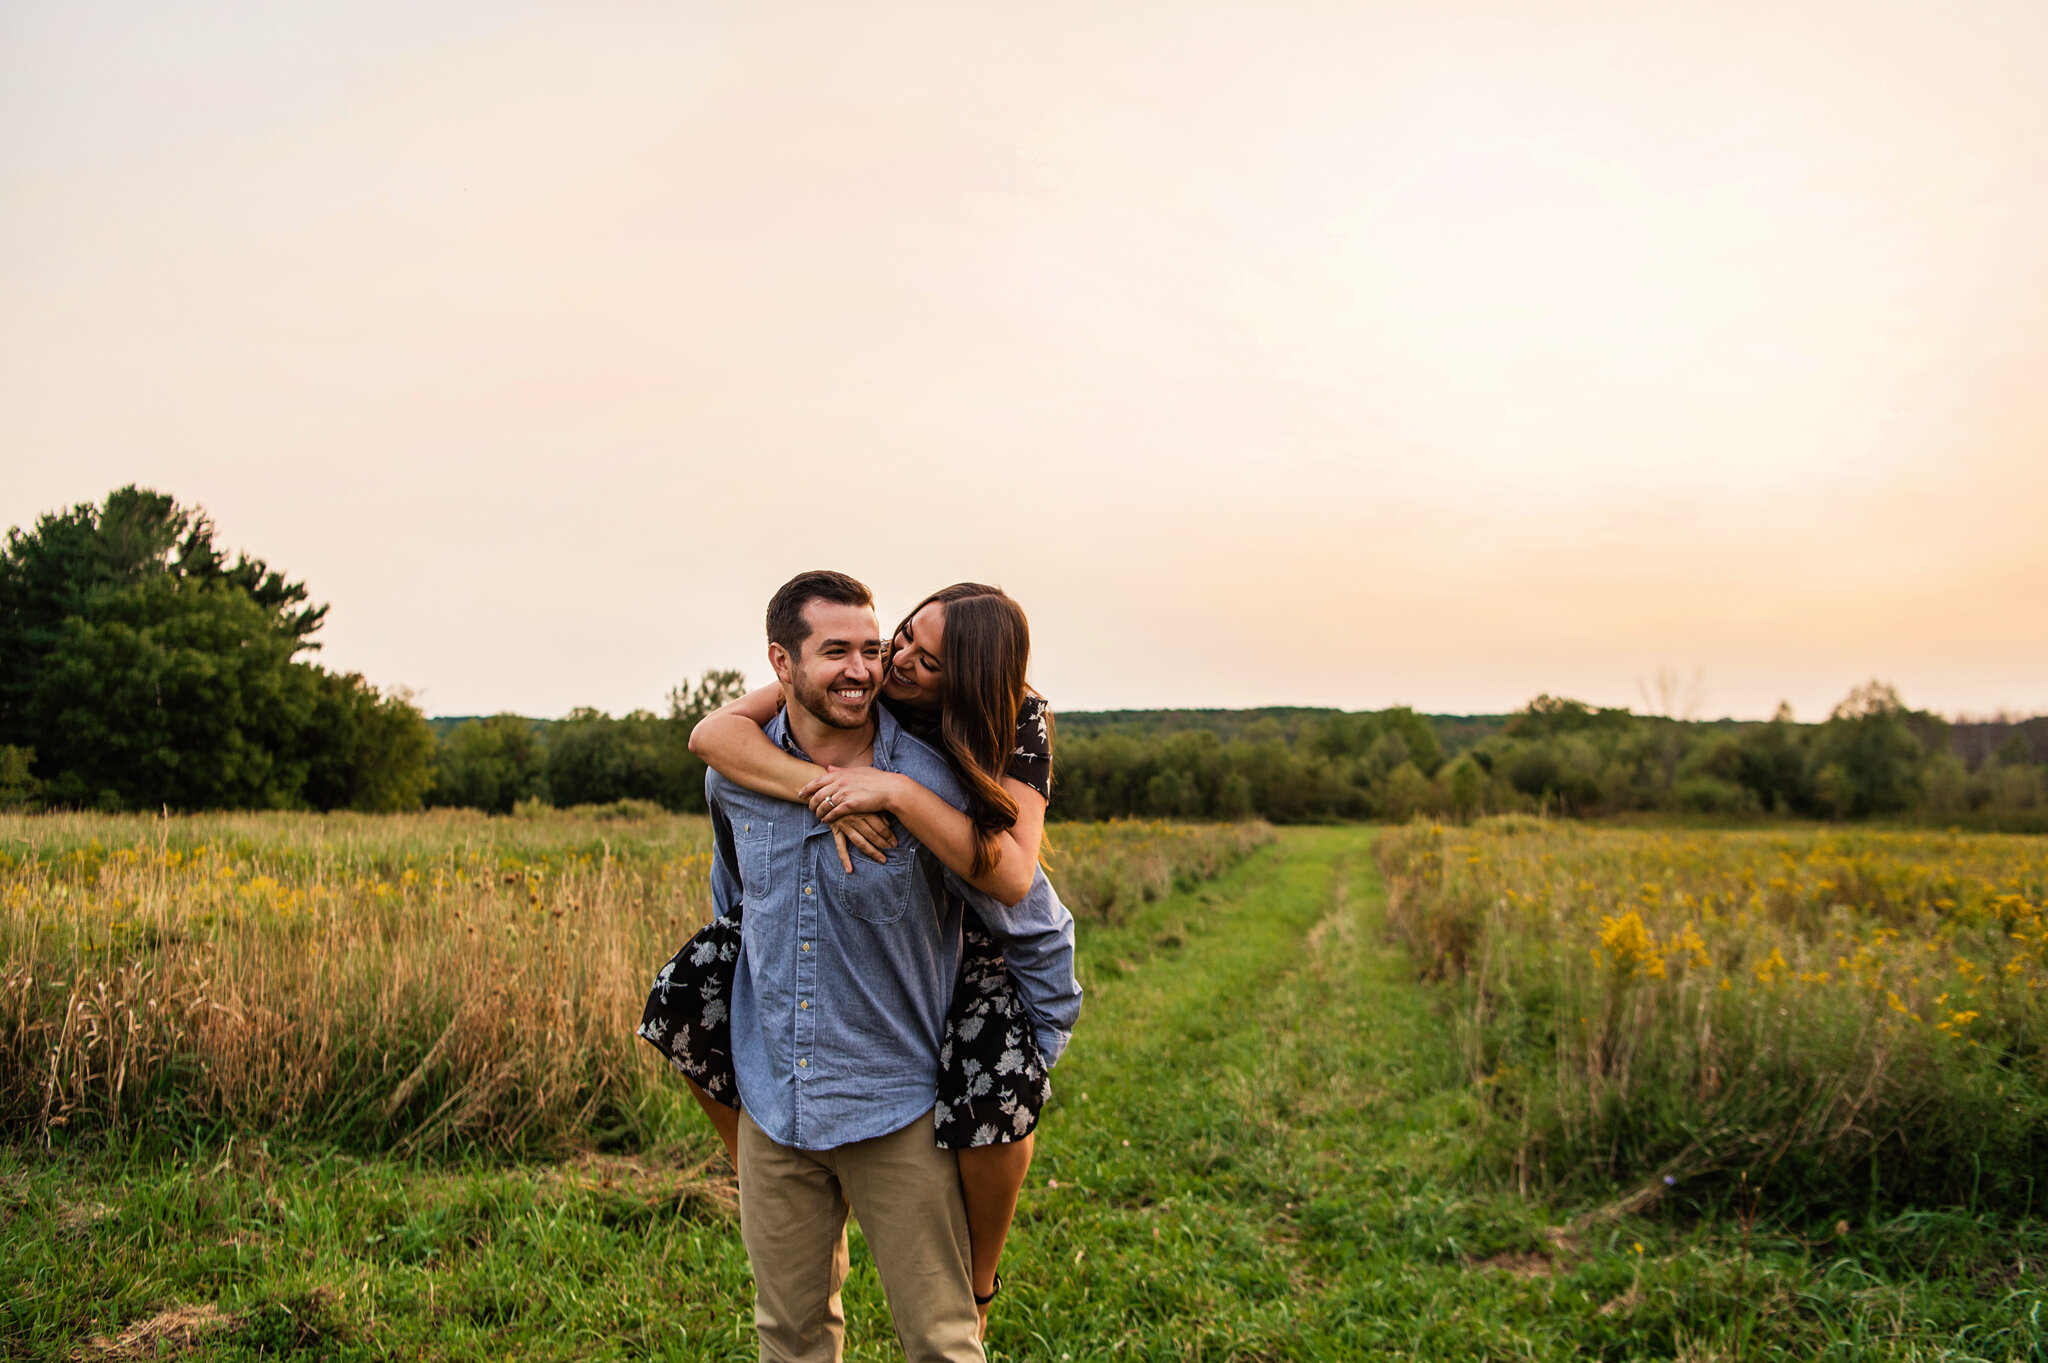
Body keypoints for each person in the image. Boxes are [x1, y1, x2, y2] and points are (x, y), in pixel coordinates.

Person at [653, 570, 1080, 1362]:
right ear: (783, 663)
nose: (875, 666)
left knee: (943, 1342)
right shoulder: (739, 777)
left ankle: (982, 1280)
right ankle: (764, 1170)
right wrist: (821, 790)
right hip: (777, 1102)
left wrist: (1041, 1039)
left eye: (875, 648)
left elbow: (1024, 899)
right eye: (852, 649)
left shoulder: (945, 777)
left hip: (895, 1104)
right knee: (788, 1337)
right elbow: (734, 886)